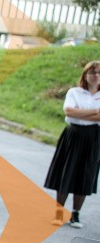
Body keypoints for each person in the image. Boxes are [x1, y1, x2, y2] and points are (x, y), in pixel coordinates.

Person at [44, 60, 100, 229]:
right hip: (73, 135)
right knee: (66, 171)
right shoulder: (74, 92)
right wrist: (95, 112)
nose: (95, 76)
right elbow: (68, 111)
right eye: (92, 72)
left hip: (93, 137)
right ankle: (58, 211)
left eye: (98, 73)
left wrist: (81, 114)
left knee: (85, 174)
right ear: (85, 75)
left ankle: (75, 213)